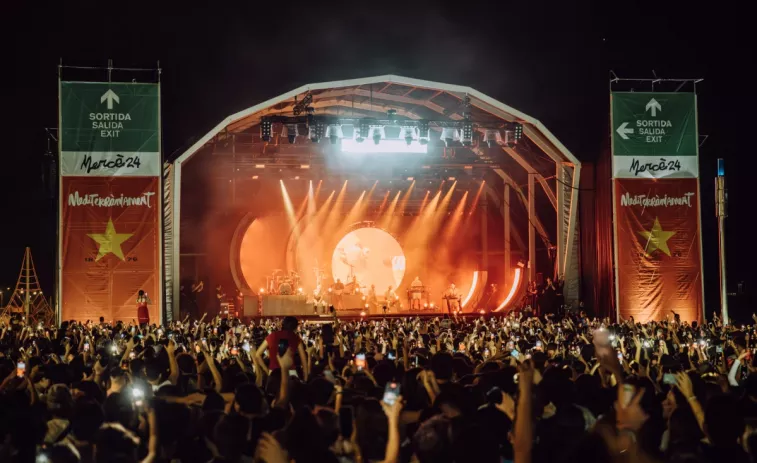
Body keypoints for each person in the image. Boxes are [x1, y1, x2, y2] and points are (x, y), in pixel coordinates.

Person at [254, 316, 309, 380]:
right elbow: (304, 361)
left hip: (274, 373)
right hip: (290, 373)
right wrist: (305, 379)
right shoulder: (296, 338)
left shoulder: (272, 335)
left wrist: (267, 370)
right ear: (295, 327)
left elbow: (257, 355)